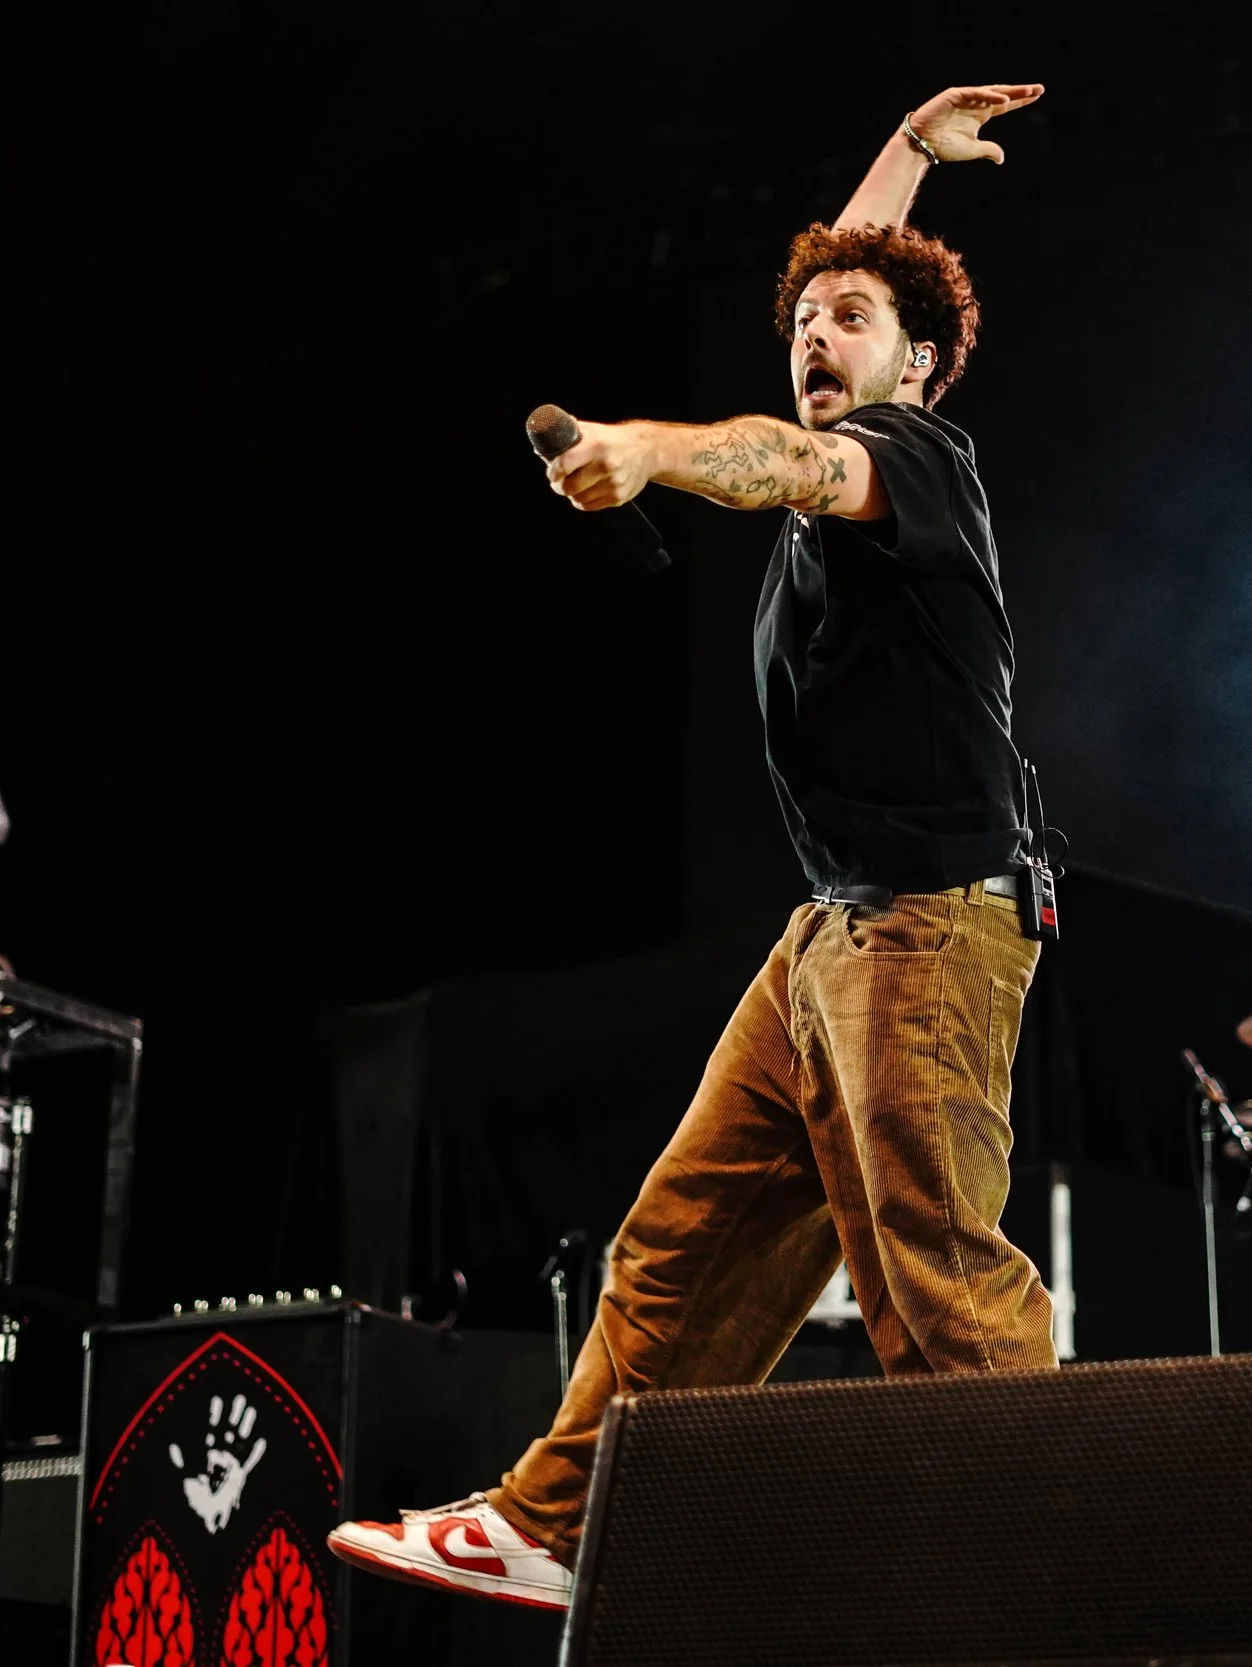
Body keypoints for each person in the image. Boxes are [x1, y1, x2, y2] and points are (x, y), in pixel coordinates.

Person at [327, 82, 1048, 1612]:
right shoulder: (841, 456)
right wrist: (906, 162)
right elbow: (835, 334)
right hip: (831, 936)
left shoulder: (914, 462)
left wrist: (647, 447)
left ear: (915, 365)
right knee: (680, 1244)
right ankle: (562, 1519)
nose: (813, 336)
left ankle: (1073, 1566)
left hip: (928, 926)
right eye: (799, 321)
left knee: (935, 1274)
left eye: (849, 319)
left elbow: (778, 458)